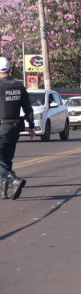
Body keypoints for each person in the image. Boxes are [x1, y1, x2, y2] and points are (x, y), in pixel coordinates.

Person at [0, 57, 35, 200]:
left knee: (3, 160)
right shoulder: (19, 86)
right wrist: (31, 126)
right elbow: (28, 108)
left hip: (2, 126)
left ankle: (13, 179)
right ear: (9, 69)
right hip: (15, 127)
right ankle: (4, 191)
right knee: (6, 159)